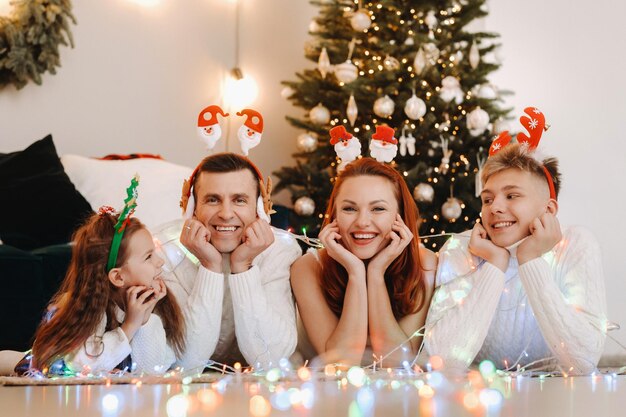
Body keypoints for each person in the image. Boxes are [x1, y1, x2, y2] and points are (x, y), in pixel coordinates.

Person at [425, 141, 608, 375]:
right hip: (475, 396)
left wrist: (529, 259)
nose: (494, 208)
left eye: (511, 196)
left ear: (549, 210)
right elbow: (442, 360)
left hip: (554, 395)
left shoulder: (575, 245)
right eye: (488, 199)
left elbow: (583, 360)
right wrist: (494, 264)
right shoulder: (463, 247)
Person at [1, 178, 186, 376]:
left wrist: (145, 318)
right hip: (44, 364)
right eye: (149, 256)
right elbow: (82, 366)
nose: (159, 262)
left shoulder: (139, 305)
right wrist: (130, 326)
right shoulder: (92, 308)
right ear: (118, 277)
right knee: (13, 361)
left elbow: (151, 370)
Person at [290, 157, 436, 366]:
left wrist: (375, 273)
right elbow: (341, 363)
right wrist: (356, 272)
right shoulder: (307, 268)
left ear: (400, 216)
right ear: (334, 216)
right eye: (349, 209)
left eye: (378, 209)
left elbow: (396, 361)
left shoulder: (424, 264)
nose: (362, 222)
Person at [162, 153, 301, 371]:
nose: (226, 214)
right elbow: (185, 362)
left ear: (258, 209)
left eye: (239, 200)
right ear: (192, 208)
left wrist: (243, 267)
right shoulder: (164, 251)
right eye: (212, 199)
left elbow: (271, 359)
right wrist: (210, 267)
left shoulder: (280, 249)